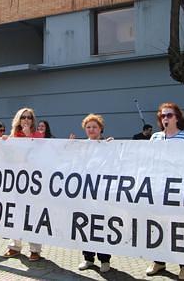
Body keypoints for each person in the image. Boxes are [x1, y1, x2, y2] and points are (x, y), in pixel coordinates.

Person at [147, 103, 184, 280]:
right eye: (163, 116)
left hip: (176, 190)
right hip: (158, 189)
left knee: (178, 228)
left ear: (177, 118)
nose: (166, 118)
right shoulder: (155, 137)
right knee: (157, 226)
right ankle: (159, 261)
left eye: (169, 115)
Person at [3, 108, 43, 261]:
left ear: (33, 120)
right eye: (23, 117)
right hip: (15, 181)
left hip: (33, 182)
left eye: (29, 117)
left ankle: (35, 249)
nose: (26, 120)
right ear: (18, 120)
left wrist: (29, 137)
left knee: (32, 215)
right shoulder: (13, 137)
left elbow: (42, 155)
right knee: (15, 213)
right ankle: (14, 246)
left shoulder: (39, 135)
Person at [74, 114, 112, 273]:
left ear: (100, 129)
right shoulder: (81, 146)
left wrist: (112, 147)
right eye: (88, 127)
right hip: (85, 193)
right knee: (85, 225)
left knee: (101, 226)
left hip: (101, 193)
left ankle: (105, 260)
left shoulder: (108, 144)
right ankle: (88, 258)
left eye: (94, 127)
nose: (91, 130)